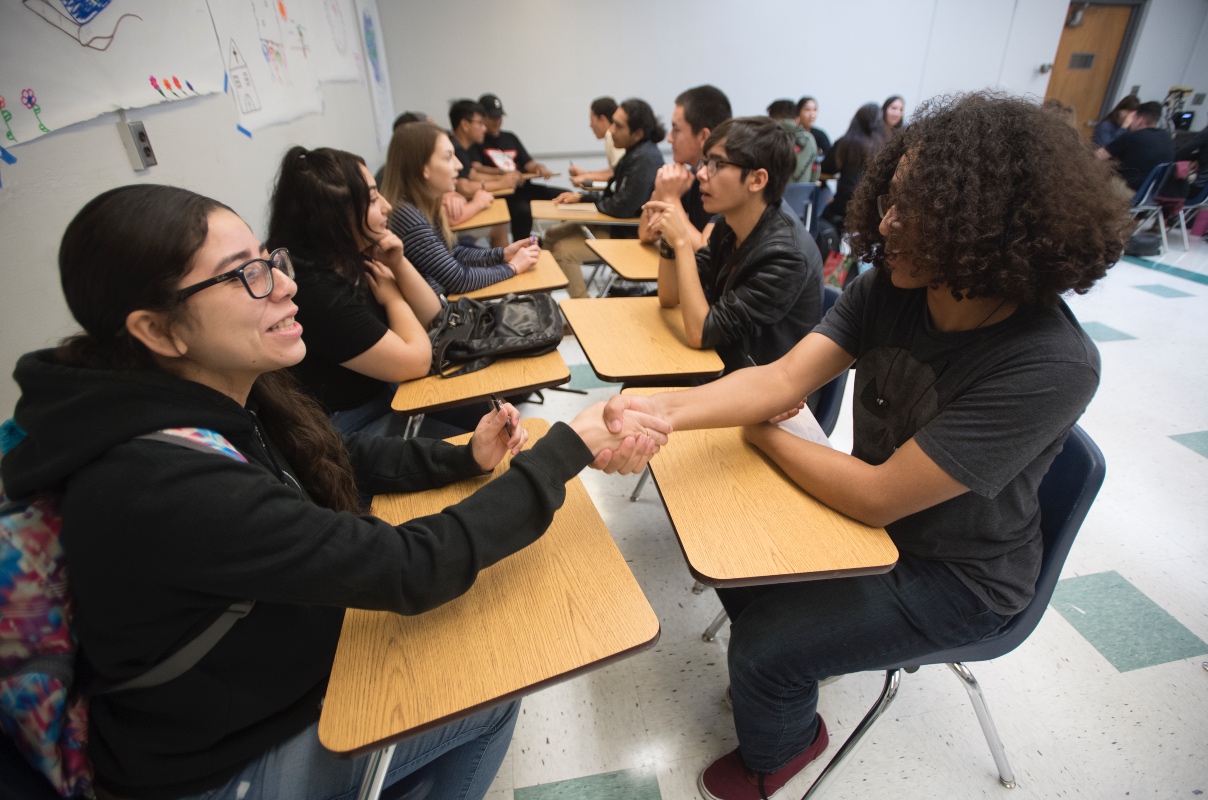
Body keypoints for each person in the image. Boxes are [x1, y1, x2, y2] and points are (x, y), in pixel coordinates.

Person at [1, 184, 670, 800]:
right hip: (207, 770)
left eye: (270, 260)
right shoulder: (156, 479)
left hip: (253, 687)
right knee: (487, 696)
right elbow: (410, 568)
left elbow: (336, 454)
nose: (286, 286)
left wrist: (464, 455)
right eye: (246, 275)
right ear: (156, 329)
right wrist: (568, 448)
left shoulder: (191, 395)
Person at [602, 92, 1129, 800]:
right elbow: (783, 377)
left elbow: (877, 496)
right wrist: (659, 408)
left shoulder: (1051, 362)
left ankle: (785, 747)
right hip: (871, 522)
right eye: (891, 198)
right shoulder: (895, 287)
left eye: (918, 209)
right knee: (732, 557)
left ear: (989, 225)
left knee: (763, 649)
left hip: (961, 579)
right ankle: (796, 672)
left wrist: (762, 432)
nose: (887, 222)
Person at [266, 147, 440, 435]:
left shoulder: (352, 251)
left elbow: (433, 315)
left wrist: (398, 263)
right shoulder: (314, 289)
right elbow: (416, 362)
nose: (387, 206)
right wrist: (394, 298)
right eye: (372, 199)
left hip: (390, 395)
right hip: (355, 424)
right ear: (336, 217)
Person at [648, 114, 824, 390]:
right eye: (705, 162)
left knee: (645, 395)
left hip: (767, 395)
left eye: (717, 164)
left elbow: (700, 333)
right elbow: (670, 298)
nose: (702, 173)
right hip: (725, 367)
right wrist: (670, 241)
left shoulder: (785, 255)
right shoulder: (730, 226)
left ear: (757, 179)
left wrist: (682, 242)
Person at [381, 122, 540, 295]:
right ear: (423, 168)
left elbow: (453, 252)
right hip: (442, 316)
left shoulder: (421, 204)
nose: (459, 165)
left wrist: (502, 254)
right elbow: (459, 279)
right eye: (448, 157)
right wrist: (512, 267)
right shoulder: (407, 216)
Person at [547, 98, 666, 297]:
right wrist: (584, 198)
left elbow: (622, 207)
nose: (610, 130)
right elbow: (615, 196)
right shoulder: (633, 153)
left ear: (637, 134)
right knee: (551, 234)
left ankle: (586, 323)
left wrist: (594, 203)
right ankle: (546, 306)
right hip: (616, 226)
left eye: (618, 126)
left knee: (564, 252)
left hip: (626, 234)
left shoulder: (645, 159)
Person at [638, 84, 732, 251]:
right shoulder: (691, 176)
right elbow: (646, 234)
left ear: (703, 136)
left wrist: (671, 198)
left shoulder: (729, 182)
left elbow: (705, 252)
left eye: (676, 130)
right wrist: (661, 190)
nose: (669, 139)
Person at [478, 93, 564, 241]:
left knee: (565, 196)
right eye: (492, 117)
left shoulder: (510, 137)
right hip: (503, 193)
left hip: (524, 187)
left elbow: (528, 163)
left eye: (499, 117)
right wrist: (505, 174)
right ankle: (521, 246)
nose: (497, 121)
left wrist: (539, 167)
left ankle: (556, 240)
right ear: (482, 117)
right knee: (522, 212)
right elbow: (476, 168)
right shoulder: (479, 140)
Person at [820, 103, 888, 230]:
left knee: (822, 216)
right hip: (871, 207)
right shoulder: (885, 145)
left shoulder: (846, 142)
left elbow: (826, 167)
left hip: (845, 204)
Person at [1096, 101, 1175, 194]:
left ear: (1140, 120)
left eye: (1133, 118)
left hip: (1130, 192)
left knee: (1093, 182)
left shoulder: (1132, 137)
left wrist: (1124, 127)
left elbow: (1099, 156)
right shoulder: (1166, 137)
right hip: (1153, 194)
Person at [569, 96, 625, 188]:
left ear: (602, 119)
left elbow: (617, 175)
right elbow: (613, 171)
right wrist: (585, 174)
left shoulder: (611, 135)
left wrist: (585, 176)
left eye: (592, 120)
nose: (590, 126)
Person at [767, 98, 816, 183]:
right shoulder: (810, 138)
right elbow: (815, 172)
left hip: (774, 193)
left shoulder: (769, 138)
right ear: (797, 119)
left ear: (770, 119)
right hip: (803, 193)